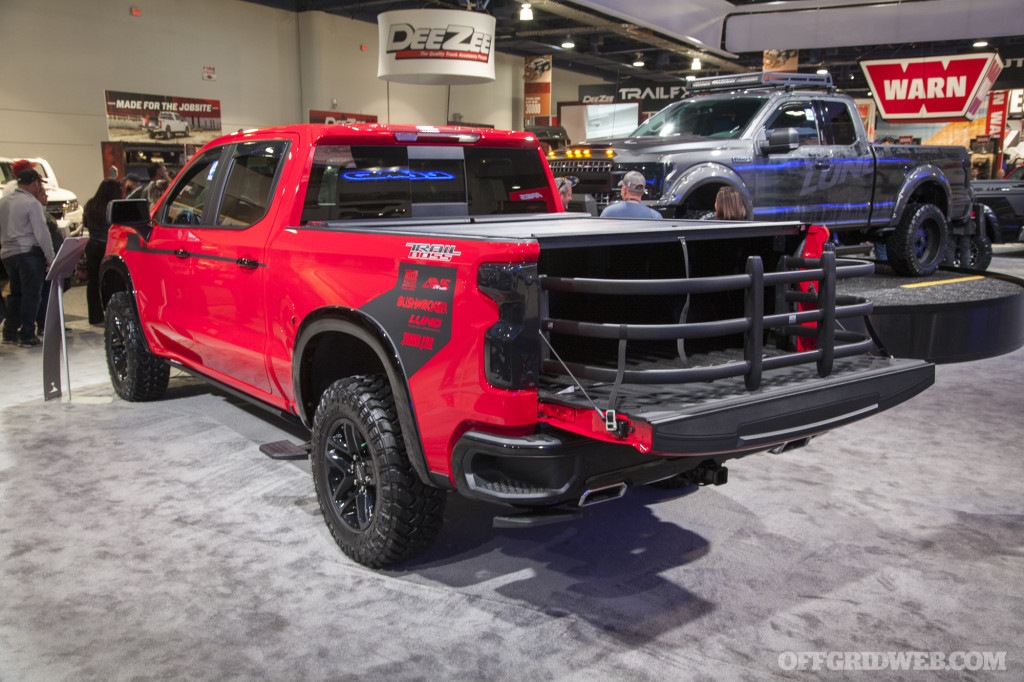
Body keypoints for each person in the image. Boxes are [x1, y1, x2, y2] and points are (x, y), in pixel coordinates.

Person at [0, 168, 56, 347]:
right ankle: (27, 334)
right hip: (29, 254)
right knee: (31, 295)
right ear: (34, 184)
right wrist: (50, 257)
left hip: (8, 254)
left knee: (15, 294)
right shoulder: (32, 203)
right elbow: (41, 232)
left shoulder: (3, 202)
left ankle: (9, 331)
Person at [83, 178, 124, 325]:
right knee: (113, 281)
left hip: (92, 246)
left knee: (93, 282)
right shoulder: (113, 206)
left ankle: (94, 316)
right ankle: (113, 315)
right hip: (108, 247)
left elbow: (85, 224)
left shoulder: (90, 204)